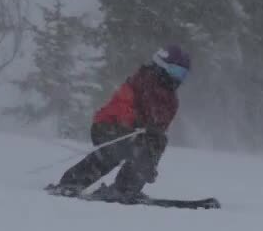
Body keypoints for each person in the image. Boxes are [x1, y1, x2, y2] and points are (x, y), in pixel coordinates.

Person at [55, 44, 191, 200]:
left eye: (183, 74)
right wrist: (137, 126)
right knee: (120, 149)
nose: (178, 78)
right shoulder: (142, 81)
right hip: (107, 127)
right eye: (176, 71)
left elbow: (159, 130)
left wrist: (148, 162)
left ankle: (127, 187)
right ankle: (73, 181)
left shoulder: (171, 101)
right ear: (162, 65)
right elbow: (121, 105)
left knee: (154, 143)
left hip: (136, 134)